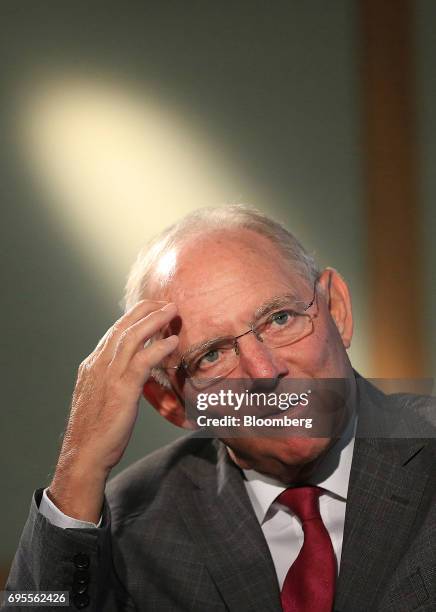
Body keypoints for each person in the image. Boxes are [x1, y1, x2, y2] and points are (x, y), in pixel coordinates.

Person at [5, 205, 436, 612]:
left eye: (280, 319)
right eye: (212, 355)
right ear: (172, 403)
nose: (264, 371)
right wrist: (81, 465)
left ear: (336, 310)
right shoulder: (130, 524)